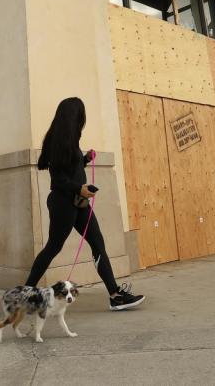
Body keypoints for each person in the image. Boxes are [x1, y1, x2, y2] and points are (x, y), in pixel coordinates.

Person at [25, 97, 145, 311]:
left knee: (98, 243)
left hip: (78, 203)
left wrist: (85, 159)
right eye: (81, 116)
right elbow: (58, 179)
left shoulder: (69, 140)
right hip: (63, 203)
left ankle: (115, 296)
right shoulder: (57, 141)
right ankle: (26, 292)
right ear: (75, 117)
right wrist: (78, 188)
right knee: (53, 247)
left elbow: (70, 167)